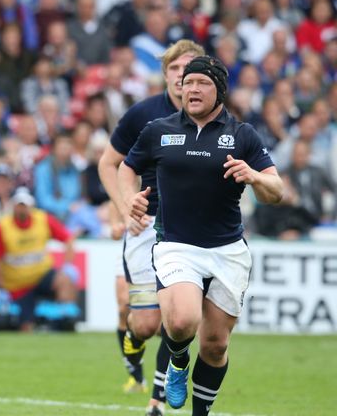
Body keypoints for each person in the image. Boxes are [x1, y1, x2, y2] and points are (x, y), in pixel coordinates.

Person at [119, 56, 283, 415]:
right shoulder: (158, 130)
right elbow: (126, 167)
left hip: (227, 251)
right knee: (180, 322)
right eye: (187, 82)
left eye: (202, 83)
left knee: (214, 346)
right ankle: (177, 360)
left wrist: (255, 178)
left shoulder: (242, 135)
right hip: (176, 245)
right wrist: (128, 198)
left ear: (219, 90)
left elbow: (277, 189)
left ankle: (200, 412)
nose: (191, 88)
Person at [97, 39, 205, 414]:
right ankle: (139, 356)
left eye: (189, 68)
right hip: (147, 226)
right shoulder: (143, 114)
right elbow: (108, 163)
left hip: (190, 230)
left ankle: (157, 399)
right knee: (143, 324)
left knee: (176, 318)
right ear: (165, 75)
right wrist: (125, 206)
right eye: (175, 69)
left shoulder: (215, 117)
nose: (181, 76)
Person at [0, 187, 78, 332]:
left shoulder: (43, 219)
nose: (22, 209)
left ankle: (66, 322)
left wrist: (67, 266)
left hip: (42, 276)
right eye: (19, 205)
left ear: (31, 206)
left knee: (65, 280)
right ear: (13, 206)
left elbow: (68, 239)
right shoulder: (1, 228)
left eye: (25, 205)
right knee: (25, 327)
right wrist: (2, 289)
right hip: (18, 287)